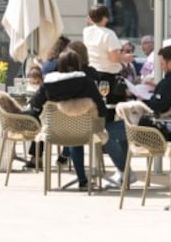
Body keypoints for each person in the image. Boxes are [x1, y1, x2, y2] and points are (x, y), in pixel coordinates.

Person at [24, 50, 112, 190]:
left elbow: (35, 105)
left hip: (54, 132)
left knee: (71, 130)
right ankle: (81, 179)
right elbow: (102, 109)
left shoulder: (48, 84)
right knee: (77, 130)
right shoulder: (87, 83)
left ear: (60, 65)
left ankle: (72, 165)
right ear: (78, 64)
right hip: (84, 132)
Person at [82, 4, 122, 92]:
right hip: (108, 75)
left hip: (92, 72)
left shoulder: (86, 31)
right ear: (105, 18)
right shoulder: (109, 34)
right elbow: (114, 58)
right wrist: (125, 58)